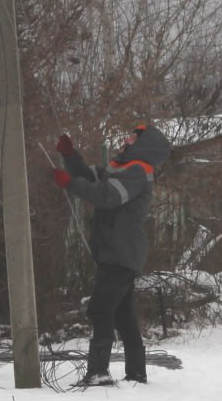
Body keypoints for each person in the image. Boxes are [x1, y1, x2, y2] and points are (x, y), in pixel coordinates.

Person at [52, 121, 172, 387]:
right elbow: (87, 176)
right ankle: (136, 374)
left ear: (144, 145)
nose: (127, 139)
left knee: (100, 308)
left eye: (134, 137)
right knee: (122, 315)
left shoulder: (137, 173)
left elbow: (106, 196)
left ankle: (99, 372)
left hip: (121, 251)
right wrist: (70, 156)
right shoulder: (120, 168)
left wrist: (70, 184)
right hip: (115, 252)